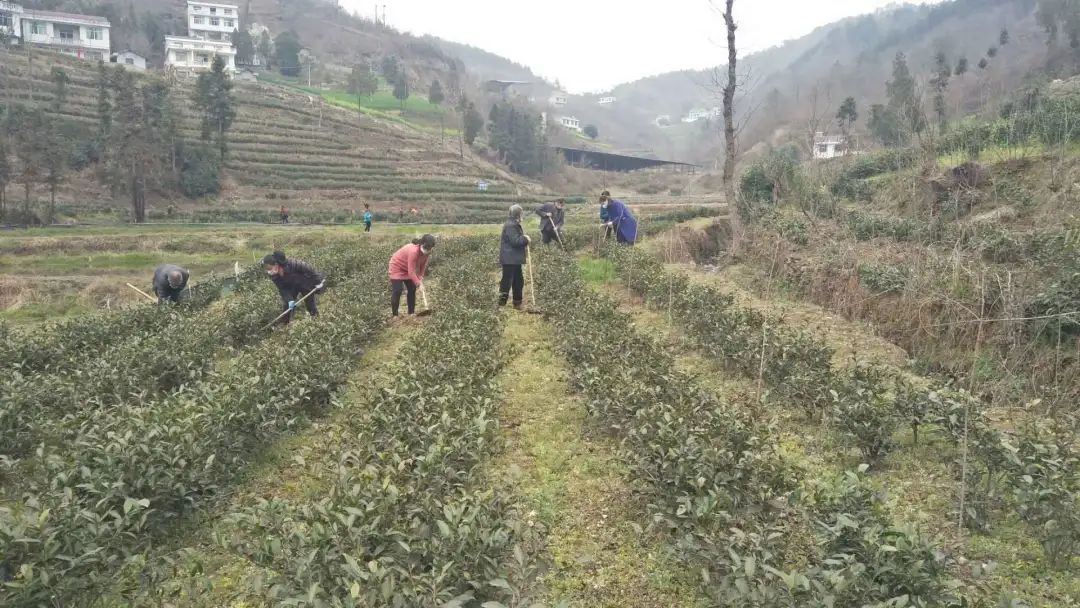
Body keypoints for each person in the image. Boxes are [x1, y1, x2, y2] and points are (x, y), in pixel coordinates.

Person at [263, 251, 325, 324]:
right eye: (267, 268)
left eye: (269, 268)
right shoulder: (274, 275)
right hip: (291, 286)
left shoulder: (293, 264)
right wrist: (289, 299)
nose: (269, 271)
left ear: (276, 265)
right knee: (287, 306)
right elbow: (282, 288)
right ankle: (285, 324)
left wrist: (318, 281)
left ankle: (316, 320)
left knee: (310, 304)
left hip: (304, 283)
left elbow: (310, 270)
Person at [388, 234, 436, 317]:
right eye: (426, 247)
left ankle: (411, 313)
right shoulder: (413, 251)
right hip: (397, 267)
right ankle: (395, 315)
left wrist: (420, 278)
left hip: (407, 268)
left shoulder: (428, 252)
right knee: (398, 290)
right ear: (422, 243)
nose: (427, 250)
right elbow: (411, 272)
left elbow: (423, 266)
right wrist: (418, 284)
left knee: (412, 288)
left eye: (429, 248)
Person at [499, 204, 531, 309]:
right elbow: (515, 241)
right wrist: (525, 239)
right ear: (518, 214)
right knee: (507, 281)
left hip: (513, 258)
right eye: (521, 213)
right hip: (510, 259)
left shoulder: (513, 224)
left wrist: (523, 237)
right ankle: (501, 304)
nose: (522, 215)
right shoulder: (511, 225)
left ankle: (517, 303)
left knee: (518, 280)